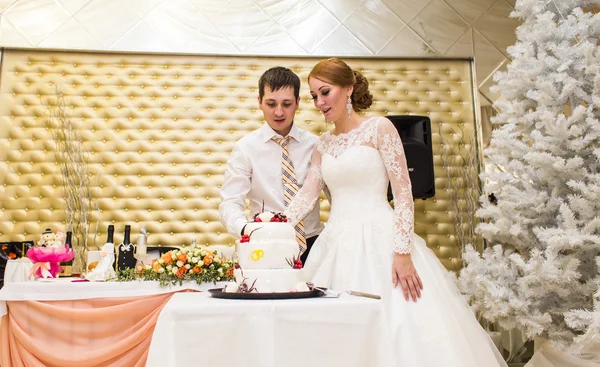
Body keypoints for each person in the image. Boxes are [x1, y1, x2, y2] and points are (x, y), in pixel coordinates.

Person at [284, 58, 508, 367]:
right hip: (336, 243)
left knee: (401, 329)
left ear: (348, 89)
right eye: (314, 96)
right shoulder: (323, 143)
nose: (319, 102)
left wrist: (402, 253)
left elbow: (403, 194)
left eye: (325, 92)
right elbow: (308, 193)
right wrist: (272, 224)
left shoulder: (380, 128)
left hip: (382, 240)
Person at [219, 66, 323, 264]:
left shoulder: (316, 145)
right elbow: (230, 202)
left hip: (314, 245)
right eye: (271, 103)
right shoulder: (245, 148)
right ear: (259, 102)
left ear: (298, 103)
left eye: (286, 104)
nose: (278, 112)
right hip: (263, 244)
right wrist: (247, 229)